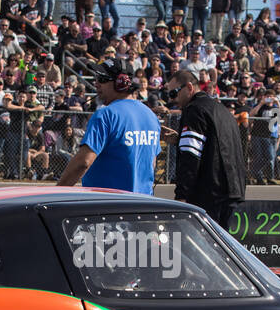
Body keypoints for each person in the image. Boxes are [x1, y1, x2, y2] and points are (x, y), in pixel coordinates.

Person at [57, 59, 160, 193]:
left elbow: (83, 162)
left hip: (108, 206)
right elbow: (152, 163)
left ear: (121, 83)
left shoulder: (105, 115)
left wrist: (57, 192)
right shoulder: (151, 116)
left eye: (102, 79)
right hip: (143, 205)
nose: (96, 84)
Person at [164, 69, 245, 227]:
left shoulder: (194, 109)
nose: (172, 99)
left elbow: (190, 156)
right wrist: (180, 139)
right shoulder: (222, 110)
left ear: (189, 87)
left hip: (208, 194)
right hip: (232, 190)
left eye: (174, 93)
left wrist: (181, 195)